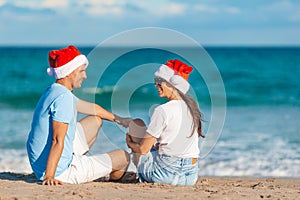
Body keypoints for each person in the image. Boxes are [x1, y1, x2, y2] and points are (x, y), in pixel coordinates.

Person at [27, 45, 131, 185]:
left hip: (40, 164)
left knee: (95, 120)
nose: (85, 76)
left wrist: (120, 120)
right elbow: (57, 140)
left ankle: (81, 164)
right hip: (60, 171)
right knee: (123, 157)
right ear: (69, 72)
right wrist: (49, 176)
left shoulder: (55, 90)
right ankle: (93, 173)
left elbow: (94, 109)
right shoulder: (63, 98)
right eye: (81, 71)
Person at [126, 59, 204, 186]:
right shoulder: (192, 108)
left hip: (164, 175)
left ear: (172, 84)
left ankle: (137, 173)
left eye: (159, 81)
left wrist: (131, 145)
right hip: (190, 176)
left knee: (136, 126)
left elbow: (144, 149)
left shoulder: (162, 110)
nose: (156, 85)